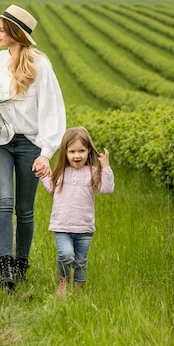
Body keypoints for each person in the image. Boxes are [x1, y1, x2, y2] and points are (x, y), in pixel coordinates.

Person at [0, 4, 66, 290]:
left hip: (30, 143)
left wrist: (46, 153)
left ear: (14, 32)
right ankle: (5, 265)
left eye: (1, 28)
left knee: (25, 209)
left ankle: (22, 263)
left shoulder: (40, 65)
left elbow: (53, 111)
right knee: (3, 202)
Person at [39, 127, 115, 296]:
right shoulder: (61, 172)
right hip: (62, 225)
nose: (77, 155)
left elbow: (107, 189)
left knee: (80, 261)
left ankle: (78, 290)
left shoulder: (93, 172)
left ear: (89, 151)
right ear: (65, 152)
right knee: (66, 255)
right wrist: (43, 174)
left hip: (84, 227)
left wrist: (106, 167)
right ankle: (63, 282)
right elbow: (52, 189)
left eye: (82, 150)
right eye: (72, 151)